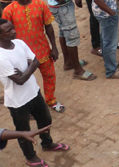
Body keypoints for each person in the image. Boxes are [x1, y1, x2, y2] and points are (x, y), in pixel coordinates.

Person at [0, 19, 69, 165]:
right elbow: (20, 81)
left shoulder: (19, 43)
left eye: (13, 28)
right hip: (18, 101)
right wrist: (30, 67)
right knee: (23, 131)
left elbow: (36, 62)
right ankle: (30, 157)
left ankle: (47, 144)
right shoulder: (1, 56)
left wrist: (25, 71)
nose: (14, 31)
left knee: (46, 120)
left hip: (34, 92)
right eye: (8, 31)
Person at [2, 0, 68, 113]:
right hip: (21, 54)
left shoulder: (40, 5)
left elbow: (48, 26)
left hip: (42, 50)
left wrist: (54, 48)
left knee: (49, 76)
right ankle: (31, 107)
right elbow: (4, 34)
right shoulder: (9, 10)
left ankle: (51, 100)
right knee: (25, 81)